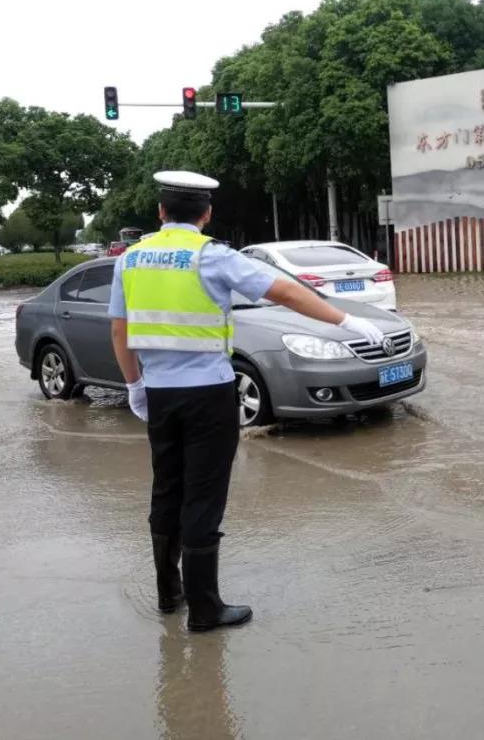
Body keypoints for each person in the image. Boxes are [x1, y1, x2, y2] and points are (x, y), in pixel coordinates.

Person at [108, 171, 386, 633]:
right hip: (209, 394)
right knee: (203, 498)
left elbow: (119, 330)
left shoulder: (130, 260)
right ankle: (204, 609)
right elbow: (286, 291)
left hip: (158, 393)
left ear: (160, 212)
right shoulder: (213, 257)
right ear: (207, 213)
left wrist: (134, 384)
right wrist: (345, 322)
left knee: (167, 490)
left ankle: (168, 594)